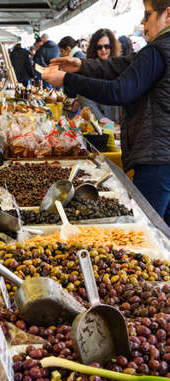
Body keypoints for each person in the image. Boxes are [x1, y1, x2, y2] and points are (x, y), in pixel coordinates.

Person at [42, 0, 170, 226]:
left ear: (167, 14)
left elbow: (119, 91)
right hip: (163, 157)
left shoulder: (158, 50)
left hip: (157, 161)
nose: (142, 20)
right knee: (165, 233)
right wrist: (81, 66)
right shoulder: (157, 51)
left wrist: (68, 79)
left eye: (148, 14)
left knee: (142, 230)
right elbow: (119, 66)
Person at [79, 28, 122, 125]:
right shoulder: (88, 67)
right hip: (100, 125)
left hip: (120, 124)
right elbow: (84, 95)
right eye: (99, 47)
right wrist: (100, 118)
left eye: (107, 46)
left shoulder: (119, 65)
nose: (103, 50)